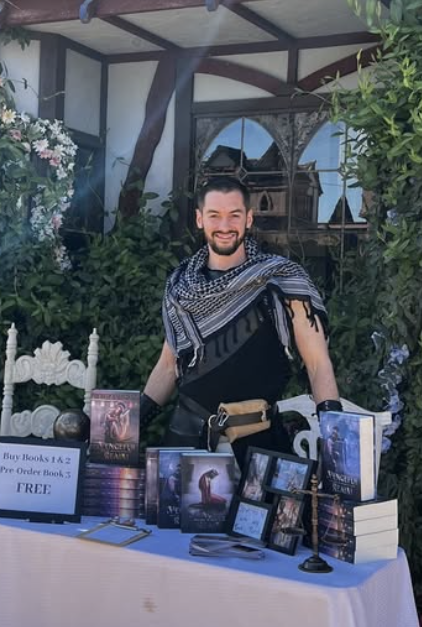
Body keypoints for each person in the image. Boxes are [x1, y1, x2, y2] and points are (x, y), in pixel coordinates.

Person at [140, 176, 342, 471]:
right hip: (186, 441)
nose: (225, 225)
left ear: (248, 218)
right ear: (199, 219)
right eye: (214, 215)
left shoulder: (281, 281)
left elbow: (318, 364)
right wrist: (129, 426)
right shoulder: (182, 288)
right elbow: (169, 366)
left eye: (234, 215)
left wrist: (337, 441)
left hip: (259, 447)